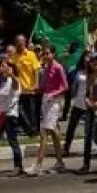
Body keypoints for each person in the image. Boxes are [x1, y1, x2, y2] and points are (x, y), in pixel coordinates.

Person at [30, 45, 68, 175]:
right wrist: (37, 89)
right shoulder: (46, 68)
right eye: (44, 54)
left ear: (53, 54)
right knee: (53, 132)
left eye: (47, 53)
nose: (45, 56)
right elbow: (44, 85)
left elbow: (64, 86)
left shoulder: (58, 67)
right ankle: (60, 161)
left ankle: (38, 164)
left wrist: (53, 94)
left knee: (44, 132)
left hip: (54, 101)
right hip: (46, 100)